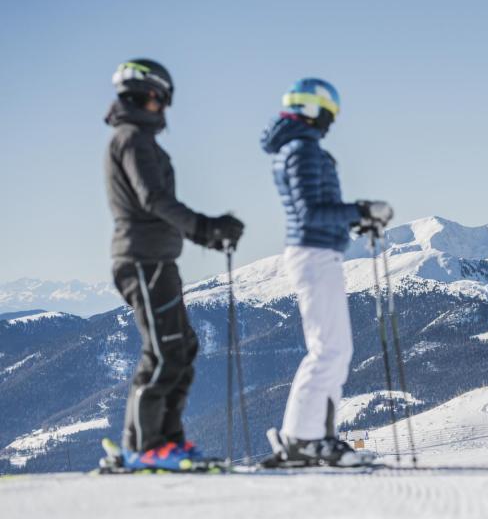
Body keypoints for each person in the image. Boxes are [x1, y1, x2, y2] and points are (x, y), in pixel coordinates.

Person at [104, 59, 245, 470]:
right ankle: (145, 447)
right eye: (164, 98)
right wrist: (204, 228)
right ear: (153, 94)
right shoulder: (131, 138)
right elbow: (152, 199)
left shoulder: (138, 139)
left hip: (158, 258)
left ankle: (166, 440)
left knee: (182, 347)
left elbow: (155, 203)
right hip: (142, 258)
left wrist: (205, 232)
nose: (165, 107)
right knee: (164, 351)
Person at [259, 77, 393, 467]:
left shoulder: (298, 148)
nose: (331, 120)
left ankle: (309, 438)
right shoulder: (302, 151)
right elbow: (311, 212)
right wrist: (362, 211)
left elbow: (316, 210)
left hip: (317, 251)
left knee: (333, 349)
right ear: (314, 110)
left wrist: (354, 220)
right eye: (329, 112)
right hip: (315, 255)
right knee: (329, 350)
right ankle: (306, 439)